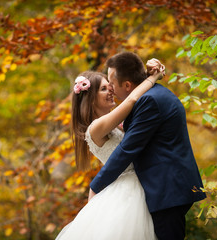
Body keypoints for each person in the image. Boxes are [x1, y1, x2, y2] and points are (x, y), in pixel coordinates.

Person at [88, 52, 207, 240]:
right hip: (165, 190)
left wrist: (95, 186)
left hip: (168, 191)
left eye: (111, 83)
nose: (110, 88)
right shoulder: (154, 94)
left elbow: (127, 149)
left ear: (127, 85)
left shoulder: (149, 101)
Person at [56, 59, 164, 240]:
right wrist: (152, 78)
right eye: (104, 89)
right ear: (90, 99)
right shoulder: (95, 128)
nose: (111, 91)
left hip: (139, 183)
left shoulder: (114, 125)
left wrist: (144, 74)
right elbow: (131, 99)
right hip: (128, 190)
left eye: (110, 86)